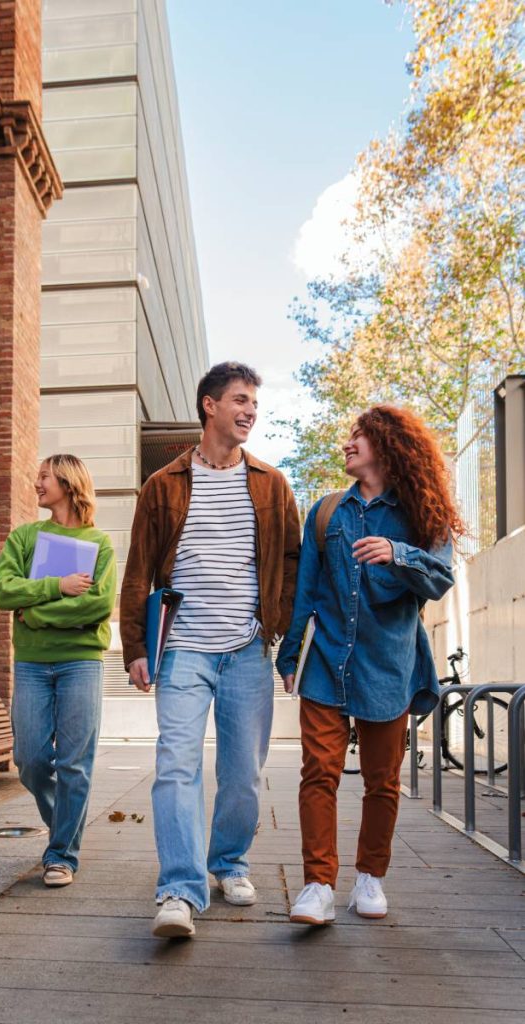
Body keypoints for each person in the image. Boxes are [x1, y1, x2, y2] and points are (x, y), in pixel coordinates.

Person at [121, 361, 301, 937]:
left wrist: (288, 641)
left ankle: (228, 863)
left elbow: (292, 567)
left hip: (248, 650)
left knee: (244, 774)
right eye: (240, 400)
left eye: (254, 403)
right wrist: (136, 647)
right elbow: (138, 572)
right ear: (209, 405)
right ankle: (178, 888)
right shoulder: (164, 485)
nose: (249, 411)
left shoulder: (272, 485)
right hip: (182, 652)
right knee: (176, 765)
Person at [277, 405, 465, 925]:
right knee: (318, 772)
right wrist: (290, 652)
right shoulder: (326, 512)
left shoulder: (419, 511)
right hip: (327, 661)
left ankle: (370, 878)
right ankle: (317, 885)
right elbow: (308, 592)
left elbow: (441, 577)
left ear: (386, 444)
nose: (347, 443)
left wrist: (397, 552)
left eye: (358, 435)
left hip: (389, 664)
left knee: (383, 780)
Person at [0, 454, 116, 887]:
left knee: (75, 764)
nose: (36, 482)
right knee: (29, 759)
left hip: (81, 662)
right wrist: (57, 587)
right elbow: (4, 591)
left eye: (43, 475)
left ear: (67, 481)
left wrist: (37, 614)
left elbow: (98, 605)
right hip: (31, 665)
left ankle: (61, 853)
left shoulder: (99, 544)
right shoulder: (26, 537)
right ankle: (68, 825)